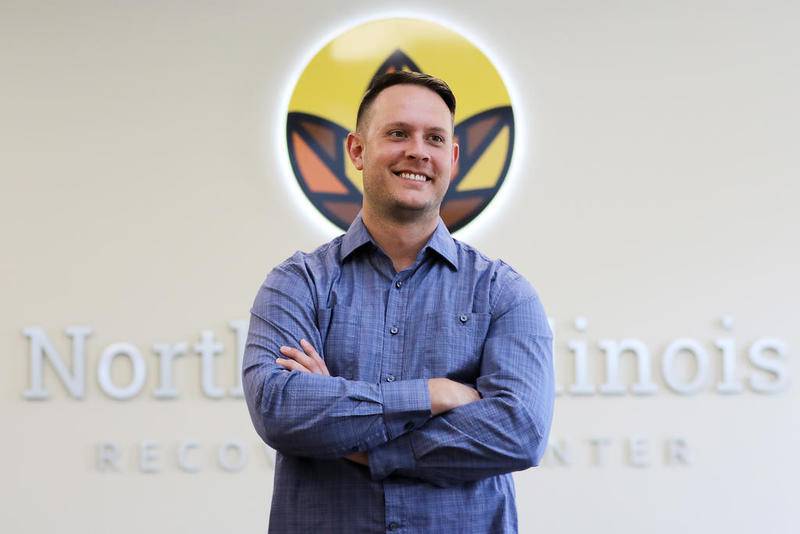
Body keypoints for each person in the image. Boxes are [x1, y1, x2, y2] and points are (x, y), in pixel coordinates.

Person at [242, 71, 555, 533]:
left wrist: (360, 438)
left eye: (434, 138)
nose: (417, 151)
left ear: (451, 158)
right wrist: (435, 394)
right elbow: (280, 409)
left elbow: (520, 432)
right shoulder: (297, 284)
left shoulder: (502, 292)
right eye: (397, 133)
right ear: (357, 150)